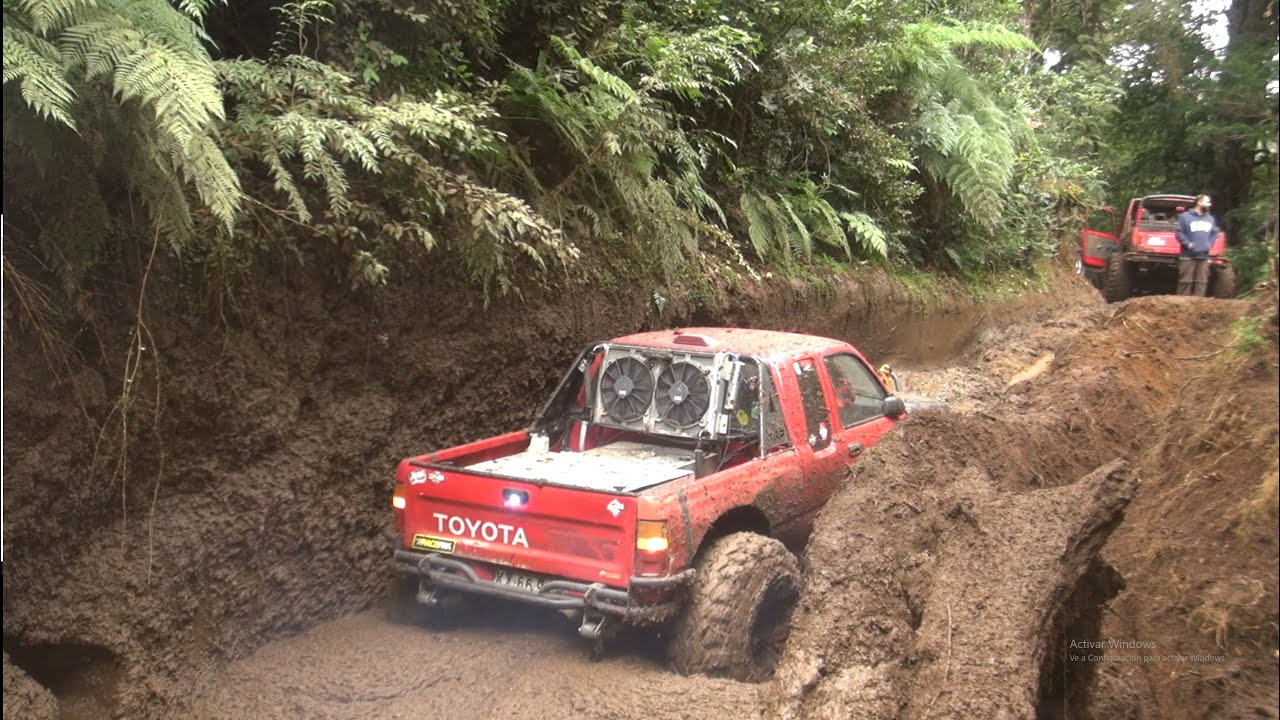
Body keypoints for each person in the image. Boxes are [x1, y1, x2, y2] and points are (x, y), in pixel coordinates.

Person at [1175, 194, 1220, 297]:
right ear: (1199, 202)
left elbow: (1214, 233)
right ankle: (1182, 303)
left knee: (1202, 282)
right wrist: (1188, 244)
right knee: (1185, 281)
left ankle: (1198, 303)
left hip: (1204, 255)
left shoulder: (1210, 218)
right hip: (1187, 255)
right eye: (1207, 202)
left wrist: (1209, 244)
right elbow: (1179, 233)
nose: (1209, 204)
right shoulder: (1185, 216)